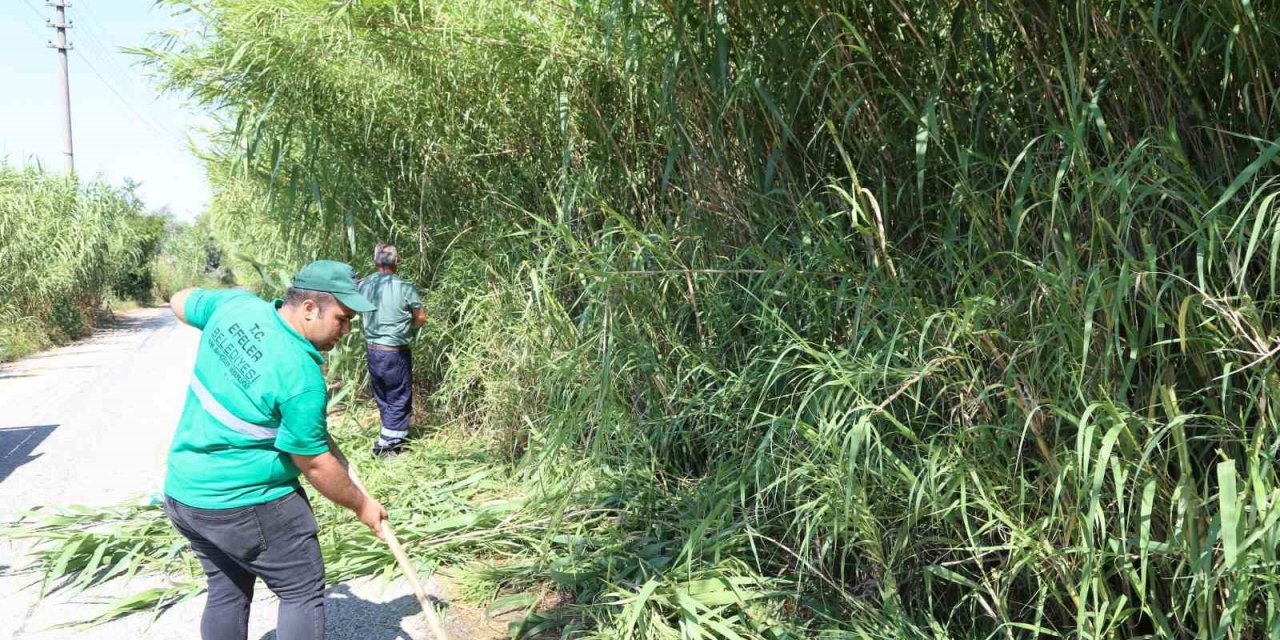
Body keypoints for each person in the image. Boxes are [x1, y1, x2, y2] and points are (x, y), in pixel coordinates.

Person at [163, 260, 388, 640]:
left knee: (227, 588)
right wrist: (363, 506)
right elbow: (316, 464)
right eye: (343, 318)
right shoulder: (301, 376)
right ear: (309, 308)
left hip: (186, 494)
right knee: (301, 590)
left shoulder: (235, 306)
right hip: (247, 502)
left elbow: (179, 300)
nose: (346, 331)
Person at [356, 243, 426, 457]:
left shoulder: (363, 285)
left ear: (376, 262)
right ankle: (386, 447)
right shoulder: (405, 288)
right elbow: (421, 318)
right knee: (399, 397)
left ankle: (392, 439)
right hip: (395, 351)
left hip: (373, 350)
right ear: (396, 262)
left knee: (384, 396)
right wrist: (410, 326)